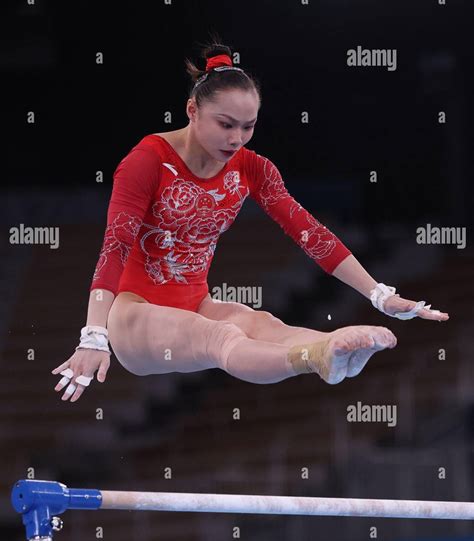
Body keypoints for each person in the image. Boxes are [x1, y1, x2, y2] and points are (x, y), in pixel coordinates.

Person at [52, 40, 449, 403]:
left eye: (249, 126)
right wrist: (94, 336)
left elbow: (310, 233)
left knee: (260, 323)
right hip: (133, 318)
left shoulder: (252, 169)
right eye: (226, 124)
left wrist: (380, 295)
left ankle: (332, 347)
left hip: (196, 306)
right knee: (222, 336)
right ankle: (312, 357)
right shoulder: (147, 161)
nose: (237, 138)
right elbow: (115, 245)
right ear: (193, 110)